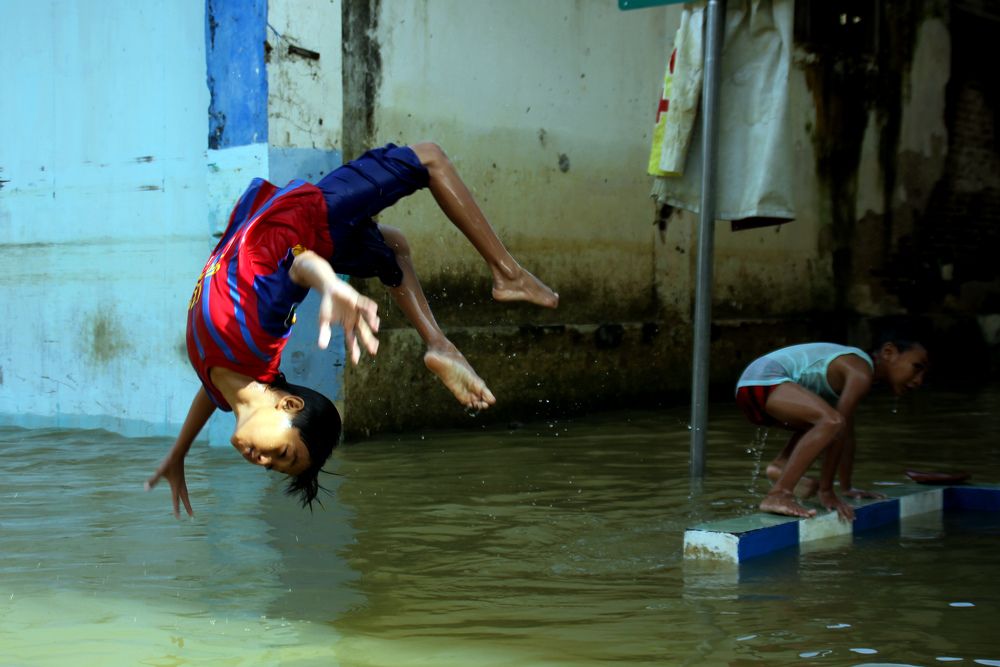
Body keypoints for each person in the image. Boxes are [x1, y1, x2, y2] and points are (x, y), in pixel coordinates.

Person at [146, 142, 558, 516]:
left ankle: (438, 343)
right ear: (290, 406)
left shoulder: (224, 381)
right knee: (429, 158)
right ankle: (507, 275)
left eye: (277, 466)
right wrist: (331, 286)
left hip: (311, 231)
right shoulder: (258, 338)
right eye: (284, 456)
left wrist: (178, 452)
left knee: (391, 249)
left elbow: (208, 390)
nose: (265, 463)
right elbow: (299, 265)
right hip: (314, 217)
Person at [735, 335, 928, 521]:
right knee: (831, 422)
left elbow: (847, 436)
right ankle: (778, 494)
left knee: (825, 424)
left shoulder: (855, 374)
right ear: (889, 352)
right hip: (764, 379)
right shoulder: (861, 371)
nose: (919, 380)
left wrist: (846, 488)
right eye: (916, 368)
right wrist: (826, 491)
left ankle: (781, 466)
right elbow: (838, 426)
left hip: (752, 386)